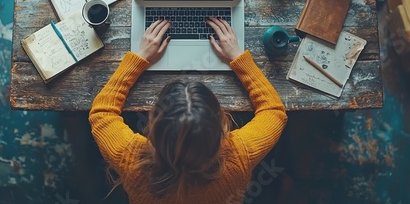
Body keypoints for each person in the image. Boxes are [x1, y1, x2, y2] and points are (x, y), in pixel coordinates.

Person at [89, 17, 288, 204]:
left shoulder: (130, 158)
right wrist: (238, 58)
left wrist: (139, 58)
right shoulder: (239, 156)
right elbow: (274, 111)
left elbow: (102, 113)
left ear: (152, 125)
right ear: (221, 123)